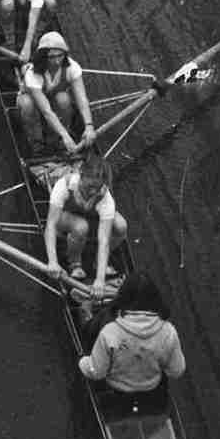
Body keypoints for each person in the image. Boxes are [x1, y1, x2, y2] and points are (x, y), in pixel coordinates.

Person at [78, 272, 186, 413]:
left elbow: (95, 372)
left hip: (115, 394)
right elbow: (177, 371)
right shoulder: (169, 332)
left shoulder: (110, 331)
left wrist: (82, 361)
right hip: (152, 395)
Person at [44, 150, 128, 293]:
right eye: (89, 187)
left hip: (90, 217)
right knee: (81, 227)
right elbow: (50, 225)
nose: (93, 192)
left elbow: (104, 241)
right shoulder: (64, 185)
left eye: (98, 187)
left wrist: (100, 280)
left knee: (121, 226)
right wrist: (53, 262)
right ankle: (75, 263)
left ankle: (98, 262)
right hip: (65, 218)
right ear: (81, 175)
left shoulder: (105, 197)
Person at [16, 31, 97, 157]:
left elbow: (82, 99)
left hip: (53, 102)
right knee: (27, 104)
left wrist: (89, 125)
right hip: (35, 104)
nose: (57, 61)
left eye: (60, 56)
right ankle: (37, 145)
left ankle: (58, 142)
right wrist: (65, 134)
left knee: (64, 99)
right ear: (43, 56)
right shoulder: (33, 73)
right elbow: (46, 111)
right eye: (52, 57)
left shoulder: (72, 67)